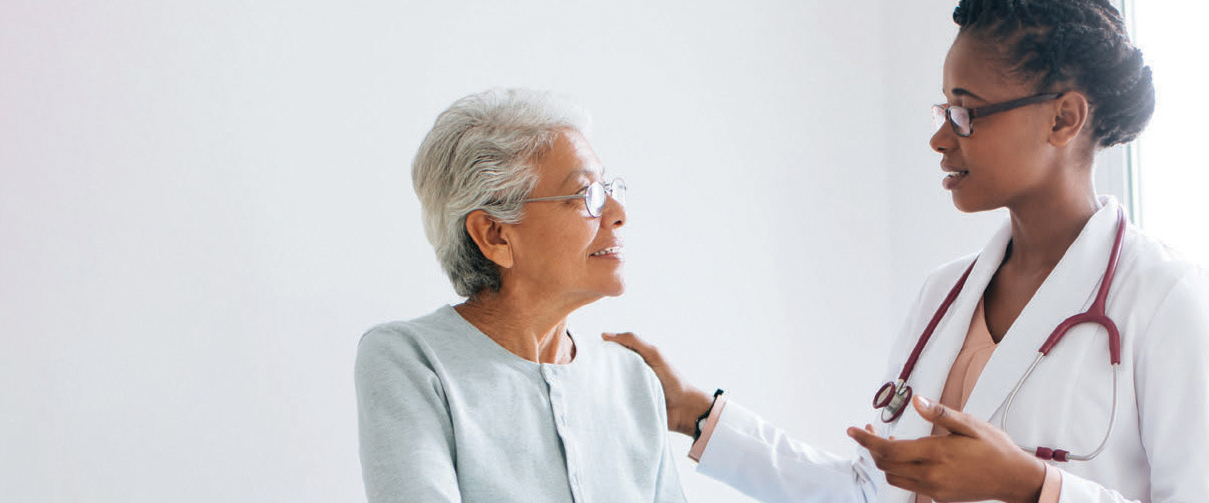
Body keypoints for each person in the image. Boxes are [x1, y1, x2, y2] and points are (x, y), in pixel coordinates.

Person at [605, 1, 1209, 502]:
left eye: (966, 113)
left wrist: (1034, 486)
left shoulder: (1162, 299)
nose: (940, 138)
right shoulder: (944, 295)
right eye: (943, 109)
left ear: (1064, 118)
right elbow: (873, 492)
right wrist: (696, 414)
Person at [355, 88, 686, 503]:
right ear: (494, 235)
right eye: (586, 194)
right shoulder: (410, 360)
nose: (618, 213)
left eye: (609, 187)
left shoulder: (632, 379)